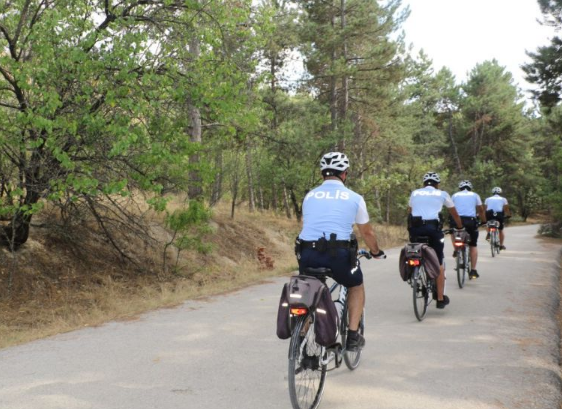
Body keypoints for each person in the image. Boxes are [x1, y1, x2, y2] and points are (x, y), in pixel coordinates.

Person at [296, 152, 384, 352]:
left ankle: (300, 340)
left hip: (307, 253)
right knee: (356, 285)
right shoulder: (354, 197)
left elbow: (307, 225)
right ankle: (352, 336)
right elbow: (367, 232)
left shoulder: (309, 195)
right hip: (338, 255)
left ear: (322, 174)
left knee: (311, 290)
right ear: (345, 174)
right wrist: (376, 251)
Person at [407, 172, 463, 309]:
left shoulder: (415, 193)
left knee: (416, 250)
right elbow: (453, 212)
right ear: (437, 184)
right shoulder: (442, 194)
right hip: (433, 230)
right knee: (439, 261)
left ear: (424, 184)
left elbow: (409, 211)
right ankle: (439, 298)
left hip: (415, 229)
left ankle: (414, 270)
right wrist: (460, 226)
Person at [449, 180, 487, 279]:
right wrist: (483, 221)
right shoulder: (475, 195)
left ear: (460, 188)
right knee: (473, 245)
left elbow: (451, 208)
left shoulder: (455, 195)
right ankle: (473, 270)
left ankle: (456, 249)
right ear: (470, 188)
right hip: (470, 221)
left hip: (456, 220)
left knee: (453, 233)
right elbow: (481, 210)